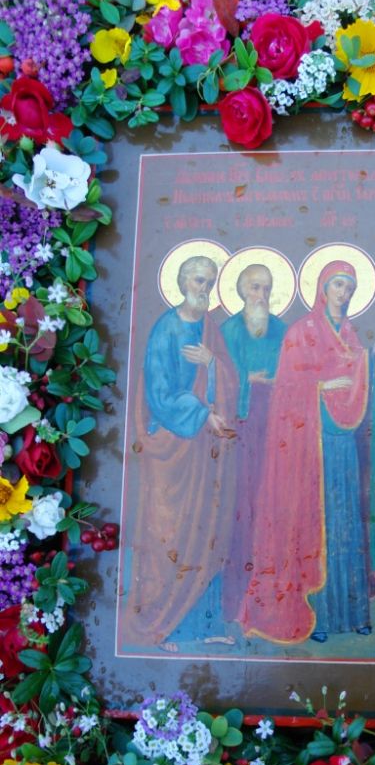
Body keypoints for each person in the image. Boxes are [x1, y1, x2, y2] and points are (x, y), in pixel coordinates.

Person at [239, 259, 375, 644]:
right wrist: (320, 386)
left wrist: (370, 358)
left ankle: (354, 614)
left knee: (345, 523)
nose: (343, 293)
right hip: (309, 447)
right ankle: (318, 617)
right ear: (323, 288)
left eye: (349, 287)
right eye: (338, 285)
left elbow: (356, 378)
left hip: (342, 444)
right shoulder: (301, 332)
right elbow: (287, 389)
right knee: (317, 524)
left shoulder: (350, 334)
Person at [121, 255, 238, 650]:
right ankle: (164, 625)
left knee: (206, 530)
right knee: (170, 533)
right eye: (199, 281)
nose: (204, 289)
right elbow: (158, 395)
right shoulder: (166, 329)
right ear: (184, 282)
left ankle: (206, 625)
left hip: (204, 452)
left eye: (210, 282)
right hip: (173, 448)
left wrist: (213, 364)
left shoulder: (210, 328)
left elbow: (229, 376)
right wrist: (202, 414)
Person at [220, 264, 286, 616]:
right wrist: (248, 380)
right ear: (242, 290)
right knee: (240, 507)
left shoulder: (282, 330)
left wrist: (276, 383)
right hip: (242, 426)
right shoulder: (228, 331)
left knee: (273, 504)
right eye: (256, 287)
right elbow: (218, 378)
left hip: (275, 427)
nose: (262, 295)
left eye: (267, 288)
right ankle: (236, 597)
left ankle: (272, 596)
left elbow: (294, 373)